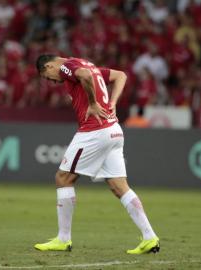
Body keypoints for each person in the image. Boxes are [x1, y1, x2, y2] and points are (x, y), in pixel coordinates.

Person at [34, 55, 160, 254]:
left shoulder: (67, 67)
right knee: (120, 187)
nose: (53, 81)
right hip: (114, 130)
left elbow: (83, 76)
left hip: (94, 131)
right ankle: (150, 237)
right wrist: (113, 102)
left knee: (63, 178)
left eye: (48, 77)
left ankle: (63, 239)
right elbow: (121, 75)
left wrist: (93, 103)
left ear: (49, 66)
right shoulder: (87, 64)